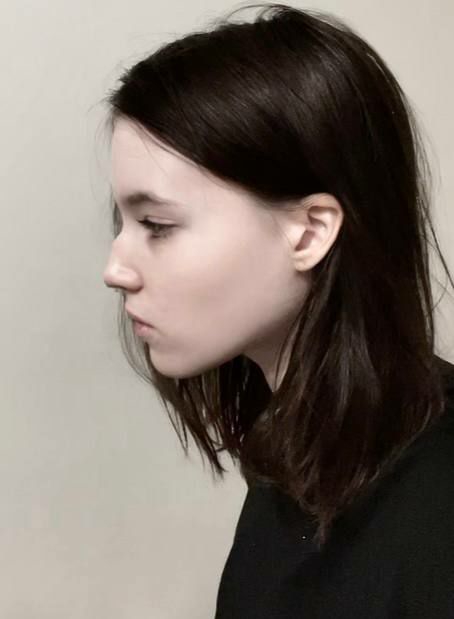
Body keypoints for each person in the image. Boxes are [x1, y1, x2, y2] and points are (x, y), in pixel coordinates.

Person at [101, 3, 454, 616]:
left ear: (310, 231)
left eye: (156, 224)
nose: (115, 269)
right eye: (123, 222)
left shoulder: (436, 512)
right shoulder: (298, 455)